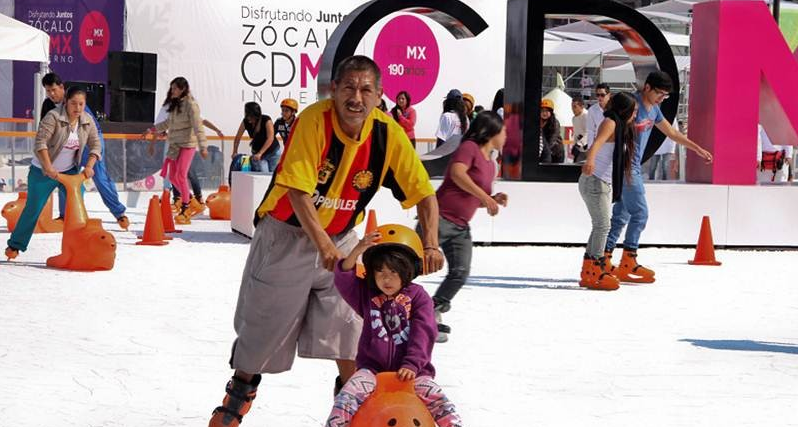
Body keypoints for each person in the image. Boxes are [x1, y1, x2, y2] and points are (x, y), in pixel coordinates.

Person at [207, 55, 444, 427]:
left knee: (352, 330)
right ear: (333, 90)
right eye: (348, 87)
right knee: (262, 333)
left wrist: (431, 243)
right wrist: (325, 247)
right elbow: (300, 194)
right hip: (288, 235)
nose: (356, 98)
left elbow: (425, 195)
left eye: (366, 90)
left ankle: (357, 414)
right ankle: (234, 403)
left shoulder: (387, 133)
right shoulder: (314, 121)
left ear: (379, 95)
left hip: (343, 238)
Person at [325, 226, 463, 427]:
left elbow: (423, 333)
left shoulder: (418, 297)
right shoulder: (367, 294)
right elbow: (344, 277)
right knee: (348, 394)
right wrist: (357, 249)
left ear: (407, 270)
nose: (386, 279)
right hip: (372, 370)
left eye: (393, 272)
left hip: (415, 372)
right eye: (379, 272)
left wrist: (412, 364)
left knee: (439, 401)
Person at [604, 71, 713, 282]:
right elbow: (609, 125)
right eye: (660, 93)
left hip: (634, 167)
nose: (662, 98)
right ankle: (628, 259)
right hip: (626, 168)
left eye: (665, 96)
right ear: (647, 87)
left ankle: (604, 258)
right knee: (640, 214)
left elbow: (671, 133)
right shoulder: (630, 104)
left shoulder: (654, 109)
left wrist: (696, 148)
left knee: (621, 216)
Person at [426, 111, 508, 343]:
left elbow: (473, 196)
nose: (505, 136)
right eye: (503, 131)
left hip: (460, 227)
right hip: (438, 218)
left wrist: (493, 198)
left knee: (460, 272)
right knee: (412, 266)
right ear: (491, 131)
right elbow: (457, 174)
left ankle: (433, 309)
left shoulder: (491, 165)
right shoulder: (469, 147)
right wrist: (486, 197)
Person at [5, 87, 101, 260]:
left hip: (70, 172)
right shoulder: (54, 117)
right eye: (73, 103)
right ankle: (15, 245)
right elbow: (40, 143)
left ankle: (81, 245)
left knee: (77, 206)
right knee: (34, 208)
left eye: (81, 104)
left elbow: (96, 144)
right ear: (66, 102)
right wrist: (48, 167)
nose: (77, 108)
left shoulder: (87, 120)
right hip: (43, 171)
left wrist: (89, 165)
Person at [39, 72, 129, 230]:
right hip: (67, 140)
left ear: (61, 87)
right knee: (66, 174)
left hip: (88, 139)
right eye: (48, 91)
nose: (51, 94)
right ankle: (65, 215)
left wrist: (89, 161)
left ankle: (119, 213)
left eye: (54, 89)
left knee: (99, 176)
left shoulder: (75, 100)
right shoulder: (47, 105)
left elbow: (89, 130)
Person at [578, 92, 639, 291]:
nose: (635, 114)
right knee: (603, 226)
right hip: (595, 181)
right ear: (625, 110)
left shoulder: (620, 125)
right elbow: (596, 143)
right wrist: (590, 160)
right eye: (634, 111)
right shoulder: (611, 122)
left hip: (601, 182)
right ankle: (595, 268)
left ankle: (590, 268)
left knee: (600, 226)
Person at [142, 76, 208, 225]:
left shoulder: (191, 105)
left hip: (187, 145)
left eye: (175, 88)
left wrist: (203, 147)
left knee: (181, 175)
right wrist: (151, 130)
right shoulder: (175, 105)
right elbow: (167, 123)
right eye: (172, 88)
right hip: (174, 144)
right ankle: (190, 200)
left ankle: (186, 208)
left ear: (183, 89)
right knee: (172, 177)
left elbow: (198, 126)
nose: (172, 91)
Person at [231, 102, 280, 173]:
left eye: (252, 116)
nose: (250, 119)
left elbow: (270, 138)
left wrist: (260, 153)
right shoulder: (245, 122)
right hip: (258, 154)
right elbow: (238, 137)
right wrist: (234, 151)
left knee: (273, 176)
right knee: (264, 172)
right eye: (248, 116)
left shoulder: (266, 120)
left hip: (273, 152)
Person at [587, 83, 611, 149]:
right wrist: (590, 147)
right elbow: (590, 130)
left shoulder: (615, 108)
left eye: (602, 95)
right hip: (598, 144)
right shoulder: (592, 110)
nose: (599, 97)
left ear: (609, 95)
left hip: (612, 144)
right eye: (597, 95)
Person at [540, 99, 564, 163]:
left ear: (551, 112)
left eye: (547, 111)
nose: (544, 113)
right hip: (545, 152)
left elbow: (553, 139)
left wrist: (545, 151)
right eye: (542, 111)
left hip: (556, 152)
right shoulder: (538, 122)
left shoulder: (555, 122)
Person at [571, 98, 589, 163]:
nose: (572, 109)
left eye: (575, 107)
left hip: (590, 148)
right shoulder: (574, 118)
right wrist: (575, 145)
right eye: (572, 106)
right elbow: (576, 133)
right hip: (581, 149)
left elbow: (589, 133)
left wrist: (578, 144)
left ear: (581, 106)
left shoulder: (587, 116)